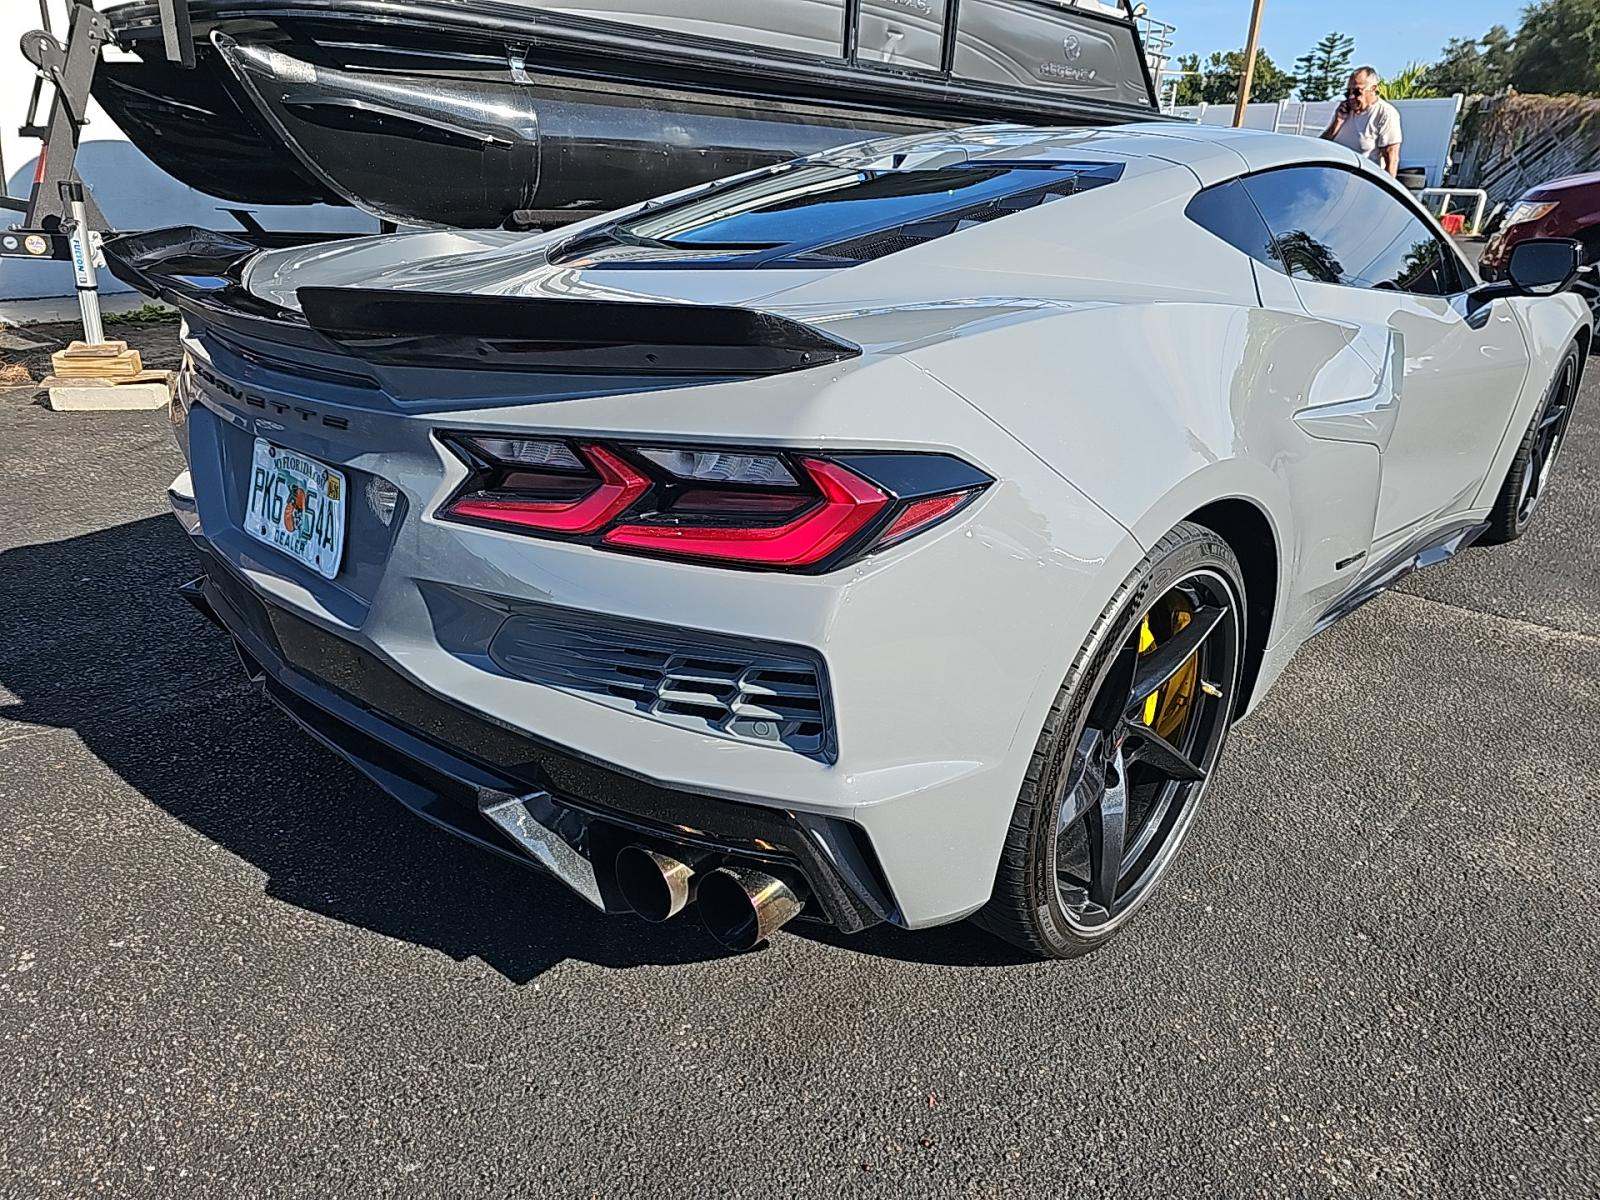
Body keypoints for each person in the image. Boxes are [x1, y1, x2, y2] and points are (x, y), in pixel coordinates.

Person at [1321, 67, 1402, 177]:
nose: (1351, 97)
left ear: (1373, 89)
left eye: (1356, 92)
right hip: (1334, 179)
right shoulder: (1344, 111)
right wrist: (1338, 122)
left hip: (1361, 182)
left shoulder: (1385, 113)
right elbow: (1323, 145)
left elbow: (1391, 159)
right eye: (1347, 92)